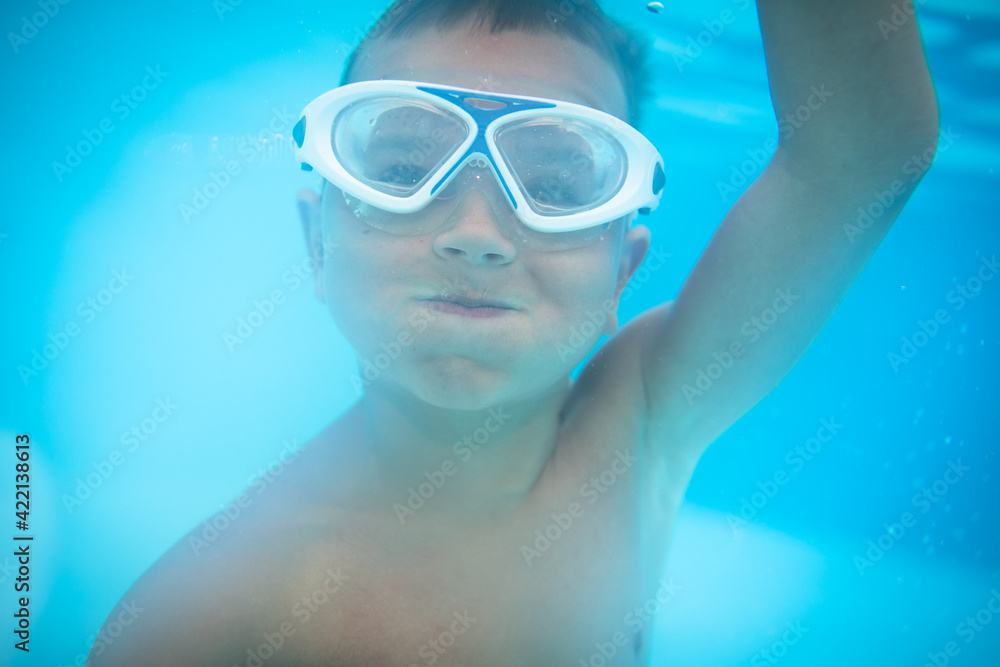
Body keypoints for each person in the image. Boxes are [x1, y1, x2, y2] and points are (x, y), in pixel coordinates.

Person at [88, 0, 939, 665]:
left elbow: (863, 153)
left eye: (559, 181)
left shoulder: (640, 418)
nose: (479, 232)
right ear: (318, 243)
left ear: (621, 273)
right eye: (401, 168)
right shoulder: (205, 612)